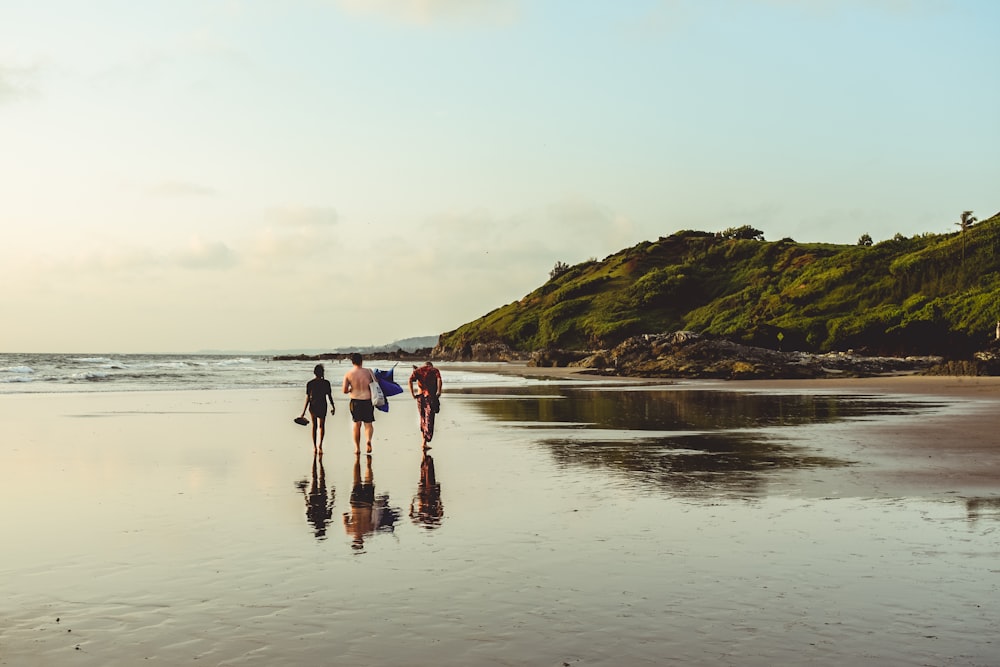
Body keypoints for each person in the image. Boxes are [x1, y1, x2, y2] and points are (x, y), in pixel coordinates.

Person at [342, 352, 376, 453]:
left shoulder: (349, 374)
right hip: (367, 400)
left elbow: (344, 390)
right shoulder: (369, 372)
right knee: (368, 424)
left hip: (355, 401)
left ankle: (357, 448)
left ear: (352, 362)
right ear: (362, 361)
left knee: (357, 425)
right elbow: (376, 384)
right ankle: (368, 441)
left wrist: (350, 389)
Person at [300, 364, 335, 453]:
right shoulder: (326, 383)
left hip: (313, 406)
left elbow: (308, 398)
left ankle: (314, 446)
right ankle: (320, 446)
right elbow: (329, 396)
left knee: (314, 426)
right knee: (322, 426)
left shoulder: (310, 383)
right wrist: (333, 406)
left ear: (314, 373)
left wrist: (303, 412)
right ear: (322, 372)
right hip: (323, 405)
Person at [409, 361, 442, 449]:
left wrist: (412, 393)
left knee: (422, 418)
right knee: (429, 418)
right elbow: (439, 380)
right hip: (430, 397)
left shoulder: (419, 371)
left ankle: (423, 443)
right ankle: (426, 438)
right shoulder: (434, 370)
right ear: (431, 365)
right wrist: (439, 391)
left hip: (420, 397)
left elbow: (410, 380)